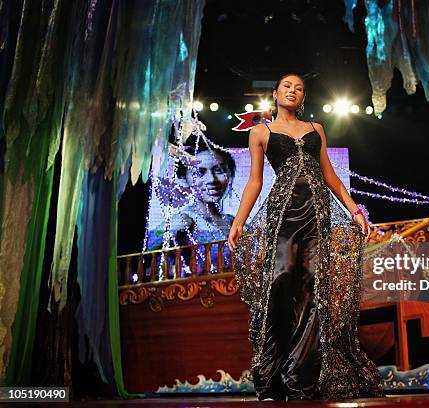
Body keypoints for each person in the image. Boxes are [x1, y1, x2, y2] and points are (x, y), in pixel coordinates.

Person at [227, 73, 385, 400]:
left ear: (302, 97)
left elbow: (330, 175)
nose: (293, 91)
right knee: (282, 280)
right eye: (287, 86)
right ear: (275, 93)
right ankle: (271, 375)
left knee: (313, 288)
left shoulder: (316, 130)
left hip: (316, 213)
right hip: (283, 213)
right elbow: (255, 181)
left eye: (299, 88)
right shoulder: (261, 132)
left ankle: (300, 376)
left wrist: (356, 211)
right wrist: (238, 221)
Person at [147, 139, 236, 275]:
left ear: (230, 174)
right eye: (199, 173)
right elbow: (148, 249)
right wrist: (168, 231)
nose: (211, 180)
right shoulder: (185, 219)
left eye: (219, 170)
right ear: (184, 178)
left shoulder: (234, 222)